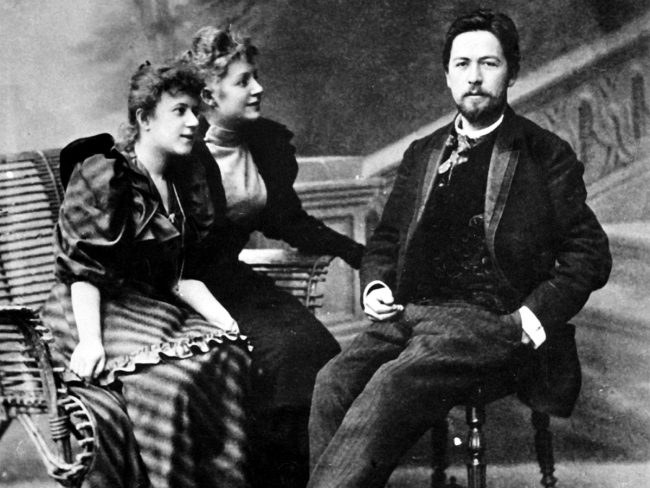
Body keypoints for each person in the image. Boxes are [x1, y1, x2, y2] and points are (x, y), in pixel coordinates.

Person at [307, 9, 612, 488]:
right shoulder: (423, 152)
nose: (474, 77)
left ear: (511, 71)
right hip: (411, 313)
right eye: (462, 64)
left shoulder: (545, 153)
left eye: (489, 63)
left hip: (490, 319)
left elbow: (590, 253)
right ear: (447, 75)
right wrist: (377, 286)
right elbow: (386, 239)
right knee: (332, 383)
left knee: (390, 384)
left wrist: (527, 321)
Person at [41, 60, 251, 488]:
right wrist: (91, 341)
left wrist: (226, 322)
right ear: (144, 118)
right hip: (87, 308)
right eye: (180, 111)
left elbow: (181, 275)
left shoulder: (181, 179)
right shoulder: (104, 173)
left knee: (229, 356)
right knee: (174, 383)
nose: (194, 122)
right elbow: (84, 269)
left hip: (143, 306)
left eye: (196, 111)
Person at [177, 26, 364, 488]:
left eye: (255, 76)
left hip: (232, 281)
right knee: (279, 357)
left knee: (318, 350)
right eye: (243, 81)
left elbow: (287, 220)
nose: (259, 88)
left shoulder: (261, 144)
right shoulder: (180, 149)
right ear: (209, 95)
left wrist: (356, 251)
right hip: (179, 290)